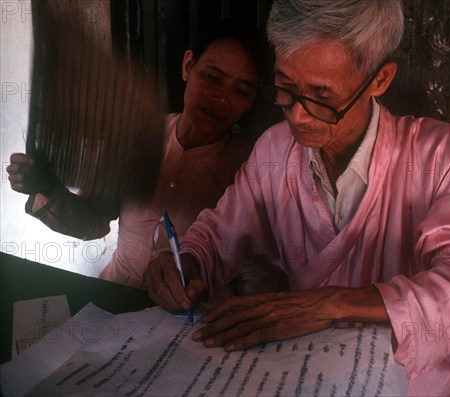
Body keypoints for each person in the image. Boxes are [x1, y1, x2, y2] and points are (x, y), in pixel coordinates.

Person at [146, 1, 450, 395]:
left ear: (380, 79)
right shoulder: (274, 151)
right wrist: (187, 262)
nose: (298, 117)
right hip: (302, 378)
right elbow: (219, 234)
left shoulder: (436, 154)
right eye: (285, 89)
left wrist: (328, 305)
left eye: (321, 96)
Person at [6, 23, 269, 289]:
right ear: (188, 65)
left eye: (242, 92)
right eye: (212, 77)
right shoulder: (137, 137)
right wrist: (49, 189)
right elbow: (92, 222)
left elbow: (252, 273)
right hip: (115, 295)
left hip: (187, 318)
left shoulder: (248, 170)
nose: (222, 99)